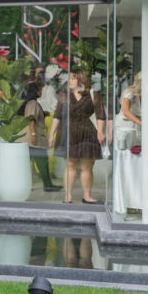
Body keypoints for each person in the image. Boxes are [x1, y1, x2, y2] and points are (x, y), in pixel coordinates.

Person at [50, 71, 106, 205]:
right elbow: (57, 115)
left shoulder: (92, 94)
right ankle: (67, 196)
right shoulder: (64, 95)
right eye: (69, 79)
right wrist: (51, 133)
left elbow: (100, 114)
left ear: (81, 80)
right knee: (70, 165)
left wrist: (101, 132)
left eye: (73, 78)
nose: (70, 81)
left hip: (87, 132)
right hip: (68, 132)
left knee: (87, 166)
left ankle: (87, 196)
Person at [20, 81, 61, 193]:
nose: (41, 92)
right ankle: (48, 185)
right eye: (40, 90)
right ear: (36, 91)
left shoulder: (30, 103)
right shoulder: (33, 103)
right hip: (34, 138)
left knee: (27, 163)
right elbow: (31, 120)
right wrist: (33, 136)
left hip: (29, 139)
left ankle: (23, 185)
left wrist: (44, 113)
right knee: (42, 162)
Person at [115, 72, 142, 148]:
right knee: (127, 152)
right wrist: (141, 123)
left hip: (136, 126)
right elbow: (125, 111)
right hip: (126, 125)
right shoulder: (130, 92)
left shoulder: (147, 94)